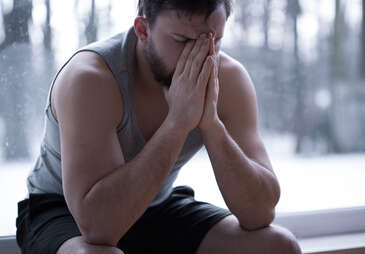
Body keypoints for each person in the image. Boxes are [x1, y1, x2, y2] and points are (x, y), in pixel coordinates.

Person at [16, 0, 302, 253]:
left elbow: (260, 212)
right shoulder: (90, 79)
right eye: (181, 40)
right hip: (63, 211)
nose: (201, 55)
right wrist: (177, 123)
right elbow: (99, 228)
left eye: (213, 40)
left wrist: (211, 123)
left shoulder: (230, 78)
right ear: (143, 30)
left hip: (155, 204)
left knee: (279, 246)